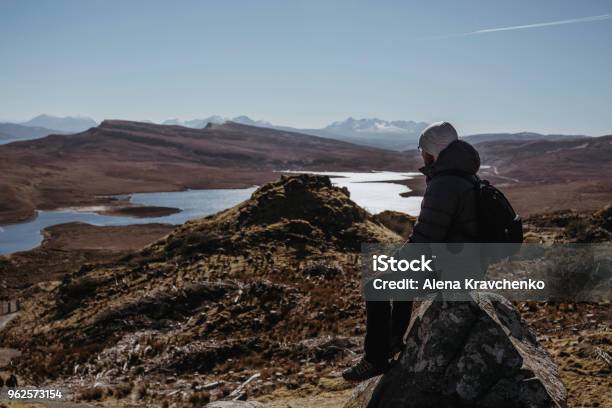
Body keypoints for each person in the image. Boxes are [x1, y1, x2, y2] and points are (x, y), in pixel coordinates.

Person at [342, 121, 481, 381]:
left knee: (375, 287)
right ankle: (393, 342)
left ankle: (375, 359)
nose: (421, 154)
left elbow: (425, 238)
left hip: (451, 270)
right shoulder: (464, 175)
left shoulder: (444, 184)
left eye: (422, 149)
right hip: (464, 263)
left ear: (432, 151)